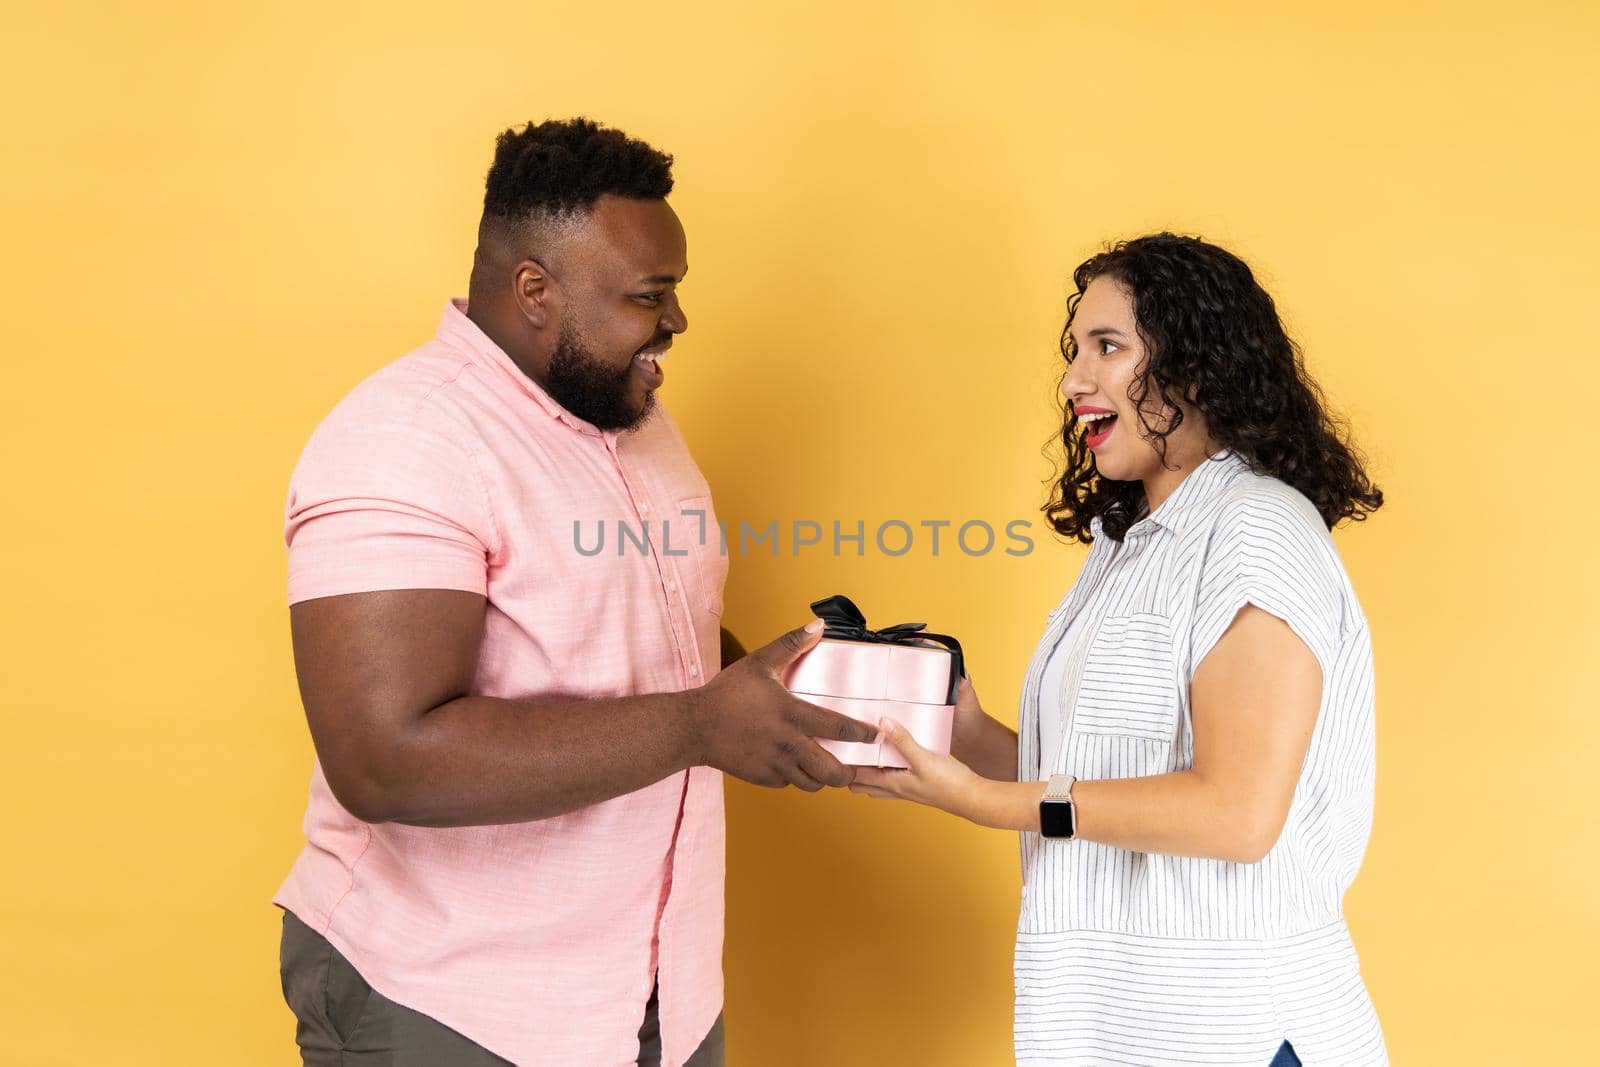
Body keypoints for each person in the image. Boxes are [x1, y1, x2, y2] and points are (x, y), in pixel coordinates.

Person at [273, 117, 879, 1067]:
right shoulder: (404, 440)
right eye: (652, 296)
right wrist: (701, 724)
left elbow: (652, 627)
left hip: (659, 994)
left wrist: (778, 692)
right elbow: (382, 757)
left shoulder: (630, 416)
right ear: (534, 291)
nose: (677, 322)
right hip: (449, 1000)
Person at [851, 234, 1389, 1065]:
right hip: (1117, 1029)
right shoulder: (1131, 542)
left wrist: (981, 802)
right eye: (1076, 350)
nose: (1073, 380)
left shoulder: (1258, 528)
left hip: (1235, 1031)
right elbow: (1099, 778)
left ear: (1195, 367)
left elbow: (1236, 813)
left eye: (1109, 347)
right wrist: (965, 732)